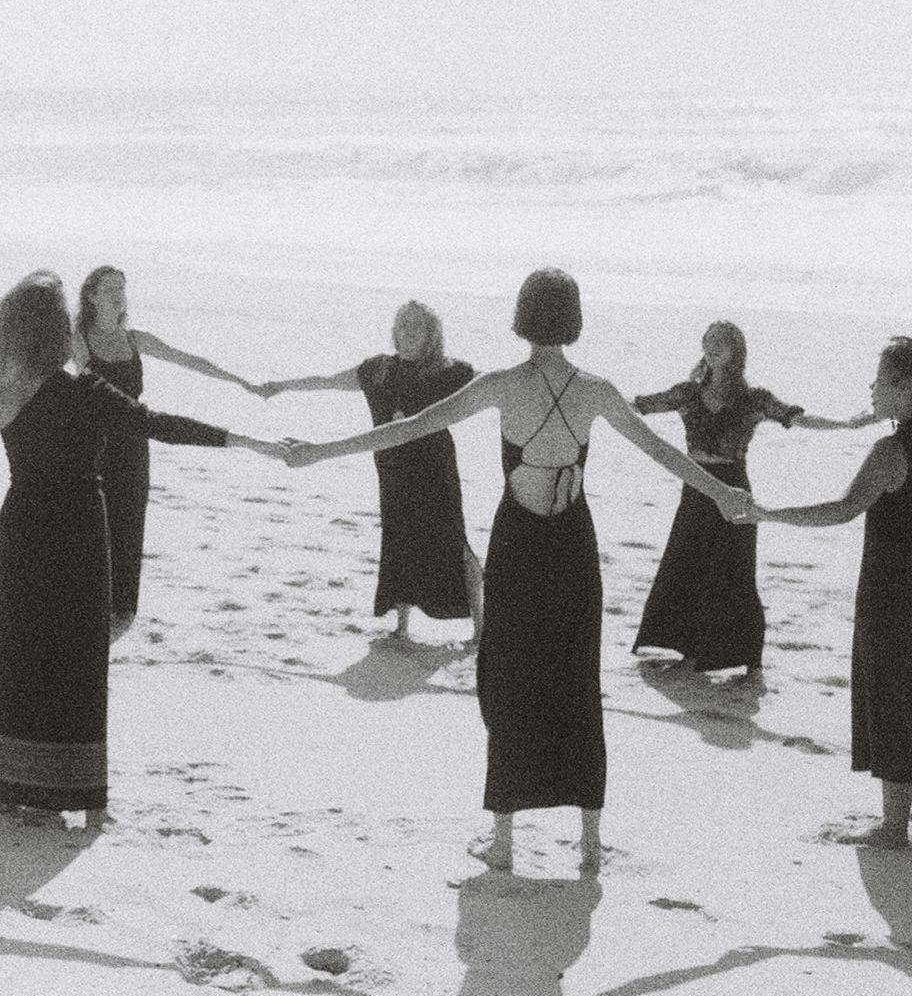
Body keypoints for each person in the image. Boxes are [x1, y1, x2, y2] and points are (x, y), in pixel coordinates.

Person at [290, 269, 751, 872]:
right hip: (572, 548)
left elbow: (408, 429)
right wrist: (722, 492)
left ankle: (504, 842)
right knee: (576, 681)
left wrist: (317, 451)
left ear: (522, 317)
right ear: (574, 320)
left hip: (520, 545)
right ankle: (588, 844)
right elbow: (663, 454)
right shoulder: (596, 390)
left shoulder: (502, 385)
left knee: (508, 682)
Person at [0, 272, 287, 823]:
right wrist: (247, 441)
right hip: (80, 531)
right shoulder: (86, 391)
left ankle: (16, 791)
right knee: (80, 659)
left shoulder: (2, 392)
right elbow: (156, 425)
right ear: (58, 330)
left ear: (13, 331)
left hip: (24, 528)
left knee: (22, 653)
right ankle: (83, 798)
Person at [748, 335, 912, 849]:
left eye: (879, 378)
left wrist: (767, 513)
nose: (871, 388)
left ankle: (895, 827)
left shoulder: (891, 449)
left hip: (896, 595)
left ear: (906, 387)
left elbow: (842, 509)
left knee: (895, 706)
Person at [631, 320, 873, 676]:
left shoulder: (753, 399)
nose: (712, 347)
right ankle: (684, 646)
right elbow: (637, 406)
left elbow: (797, 418)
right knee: (686, 562)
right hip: (695, 489)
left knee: (733, 571)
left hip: (734, 488)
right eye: (708, 340)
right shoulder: (686, 393)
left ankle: (733, 653)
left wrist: (847, 424)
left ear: (736, 351)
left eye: (721, 342)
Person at [261, 300, 483, 643]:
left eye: (417, 327)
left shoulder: (448, 371)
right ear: (395, 331)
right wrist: (282, 385)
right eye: (403, 326)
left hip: (435, 470)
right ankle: (403, 627)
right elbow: (328, 381)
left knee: (455, 543)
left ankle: (482, 628)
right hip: (393, 470)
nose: (409, 333)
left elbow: (495, 386)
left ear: (431, 334)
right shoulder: (377, 369)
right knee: (399, 541)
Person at [72, 265, 262, 638]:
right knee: (95, 528)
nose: (118, 295)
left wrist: (239, 381)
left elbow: (187, 359)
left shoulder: (135, 339)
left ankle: (118, 617)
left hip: (134, 445)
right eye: (109, 289)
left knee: (129, 527)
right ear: (91, 295)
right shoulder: (79, 339)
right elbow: (49, 372)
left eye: (121, 289)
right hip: (94, 449)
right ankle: (85, 613)